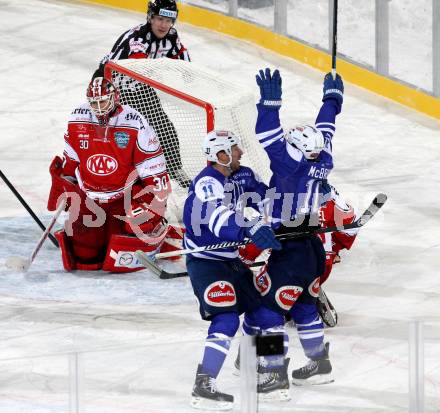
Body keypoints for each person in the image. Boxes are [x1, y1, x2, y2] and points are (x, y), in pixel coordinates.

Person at [183, 130, 294, 410]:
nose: (240, 152)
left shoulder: (241, 176)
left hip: (232, 261)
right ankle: (203, 385)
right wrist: (249, 227)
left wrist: (284, 222)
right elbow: (217, 219)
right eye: (234, 148)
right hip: (208, 262)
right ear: (220, 155)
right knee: (227, 319)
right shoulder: (208, 182)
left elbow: (264, 201)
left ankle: (273, 372)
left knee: (267, 311)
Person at [252, 68, 345, 385]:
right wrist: (332, 99)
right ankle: (320, 365)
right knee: (305, 307)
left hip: (290, 251)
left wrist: (270, 102)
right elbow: (326, 127)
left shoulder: (289, 165)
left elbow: (267, 133)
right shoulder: (324, 158)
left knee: (266, 310)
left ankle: (273, 371)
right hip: (311, 249)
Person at [47, 77, 173, 272]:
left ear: (115, 97)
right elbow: (71, 159)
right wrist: (66, 182)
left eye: (103, 101)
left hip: (124, 198)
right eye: (94, 103)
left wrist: (155, 201)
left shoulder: (134, 121)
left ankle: (157, 228)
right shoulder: (77, 118)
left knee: (134, 232)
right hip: (90, 198)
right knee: (85, 257)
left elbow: (151, 164)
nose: (98, 108)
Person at [93, 0, 191, 188]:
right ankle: (106, 170)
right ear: (150, 18)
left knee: (163, 126)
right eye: (160, 19)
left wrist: (187, 71)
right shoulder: (139, 37)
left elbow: (183, 57)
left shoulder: (171, 35)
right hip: (112, 86)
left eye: (169, 21)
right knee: (117, 131)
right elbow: (139, 65)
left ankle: (175, 167)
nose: (164, 25)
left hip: (139, 87)